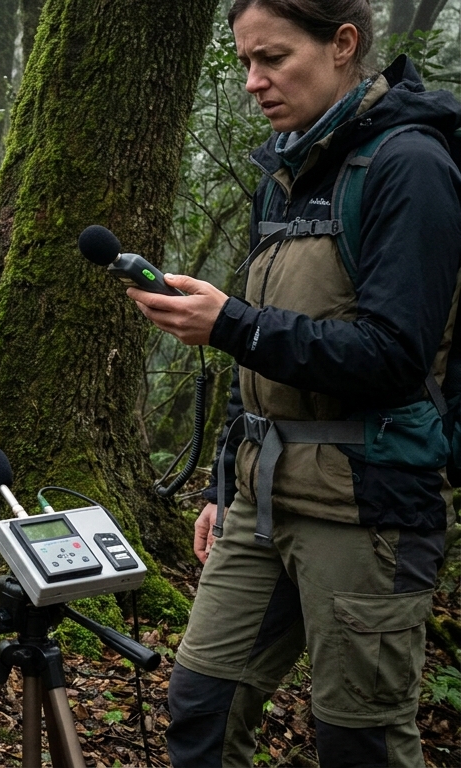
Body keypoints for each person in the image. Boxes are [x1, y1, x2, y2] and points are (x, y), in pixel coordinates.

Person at [127, 1, 461, 765]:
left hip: (369, 504)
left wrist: (233, 323)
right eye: (246, 62)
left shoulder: (411, 165)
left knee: (359, 742)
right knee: (203, 706)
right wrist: (222, 483)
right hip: (264, 495)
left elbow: (394, 355)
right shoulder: (284, 173)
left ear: (343, 44)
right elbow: (263, 359)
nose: (253, 81)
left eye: (272, 58)